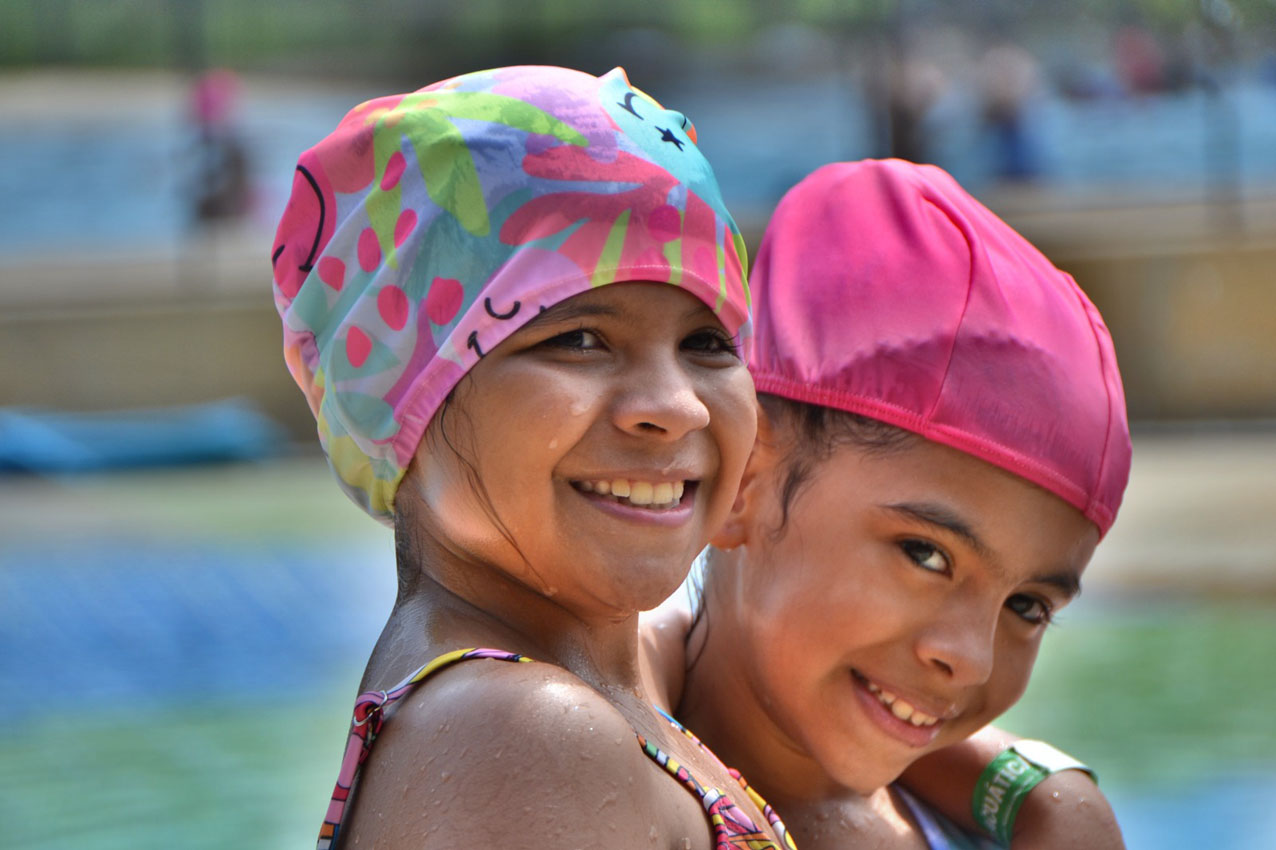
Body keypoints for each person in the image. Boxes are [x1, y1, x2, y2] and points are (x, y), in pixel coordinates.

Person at [270, 65, 789, 849]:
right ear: (400, 396)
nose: (676, 404)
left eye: (708, 342)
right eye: (578, 340)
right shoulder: (523, 734)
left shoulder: (589, 680)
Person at [648, 159, 1131, 849]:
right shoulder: (550, 776)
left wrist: (1051, 796)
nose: (971, 660)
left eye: (1028, 606)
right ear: (741, 477)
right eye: (926, 554)